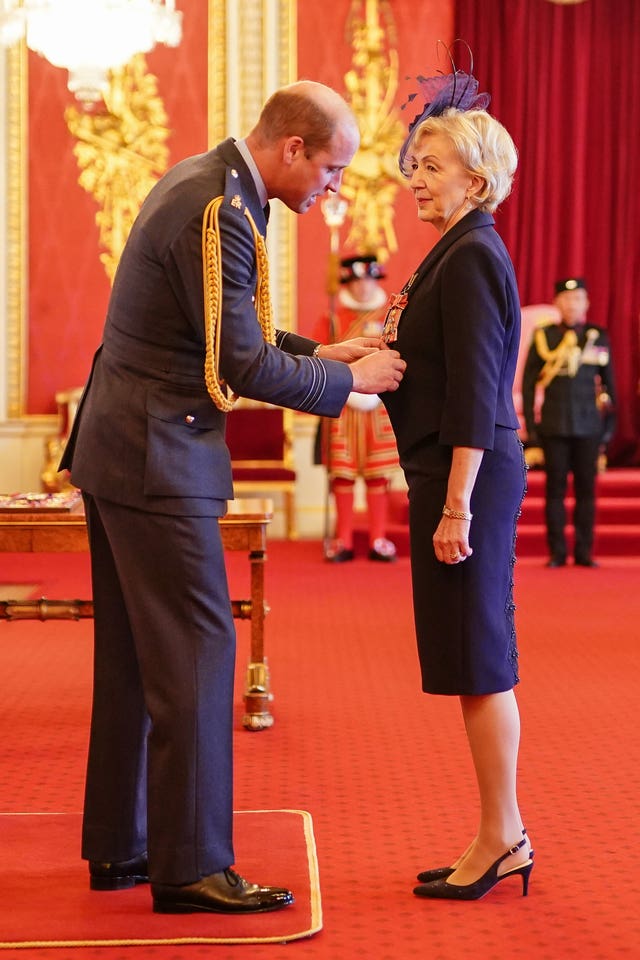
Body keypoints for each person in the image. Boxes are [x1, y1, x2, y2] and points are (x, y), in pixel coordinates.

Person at [59, 80, 405, 915]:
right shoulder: (221, 209)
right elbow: (241, 364)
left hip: (127, 448)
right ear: (293, 148)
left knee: (137, 662)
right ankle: (191, 867)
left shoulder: (215, 185)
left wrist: (324, 349)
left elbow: (231, 328)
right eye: (331, 169)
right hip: (155, 456)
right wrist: (348, 383)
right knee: (202, 655)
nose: (332, 190)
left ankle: (122, 847)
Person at [379, 64, 533, 901]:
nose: (415, 179)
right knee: (469, 660)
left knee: (481, 662)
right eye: (414, 165)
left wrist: (455, 506)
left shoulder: (472, 253)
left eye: (430, 165)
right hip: (451, 470)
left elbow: (478, 388)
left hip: (466, 476)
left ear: (478, 178)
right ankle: (496, 831)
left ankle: (502, 837)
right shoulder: (454, 251)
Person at [522, 277, 616, 567]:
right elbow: (528, 385)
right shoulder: (544, 336)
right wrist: (532, 430)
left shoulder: (597, 336)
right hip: (554, 425)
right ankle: (558, 552)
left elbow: (609, 386)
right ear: (557, 303)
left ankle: (585, 551)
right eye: (566, 299)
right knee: (555, 490)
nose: (572, 305)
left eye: (577, 299)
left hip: (589, 426)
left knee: (587, 491)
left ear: (586, 303)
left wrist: (608, 429)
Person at [314, 254, 400, 562]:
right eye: (357, 281)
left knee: (378, 475)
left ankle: (378, 538)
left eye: (368, 280)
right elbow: (318, 357)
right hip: (343, 404)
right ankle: (344, 539)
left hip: (378, 405)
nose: (363, 286)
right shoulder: (334, 316)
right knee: (343, 474)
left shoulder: (390, 315)